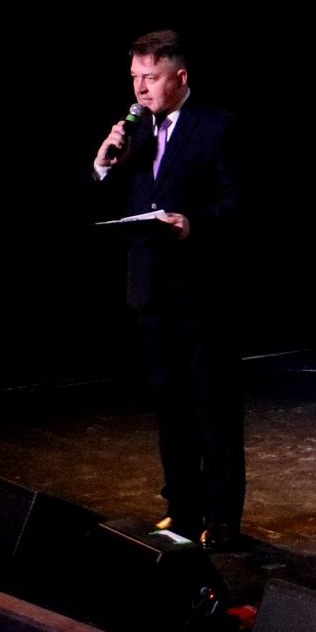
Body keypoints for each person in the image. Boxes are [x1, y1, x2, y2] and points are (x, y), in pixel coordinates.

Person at [93, 30, 246, 550]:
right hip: (149, 293)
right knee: (169, 407)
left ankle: (221, 518)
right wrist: (102, 165)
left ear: (179, 78)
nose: (140, 88)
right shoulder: (133, 133)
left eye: (151, 77)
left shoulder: (218, 126)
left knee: (213, 408)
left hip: (202, 294)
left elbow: (241, 202)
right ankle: (181, 508)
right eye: (135, 77)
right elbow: (109, 201)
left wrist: (194, 223)